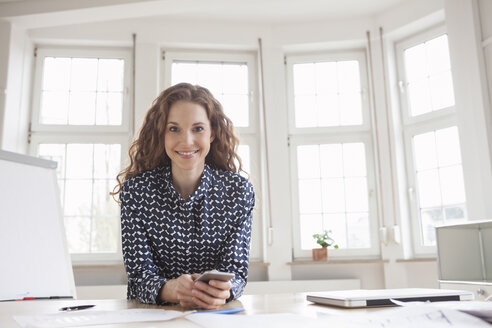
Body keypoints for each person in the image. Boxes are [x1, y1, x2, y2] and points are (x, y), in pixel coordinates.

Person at [112, 83, 255, 309]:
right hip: (151, 318)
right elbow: (139, 277)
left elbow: (236, 273)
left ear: (212, 133)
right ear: (161, 134)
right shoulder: (136, 192)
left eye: (197, 128)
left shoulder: (238, 192)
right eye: (174, 129)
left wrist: (223, 292)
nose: (186, 141)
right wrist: (173, 289)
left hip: (216, 317)